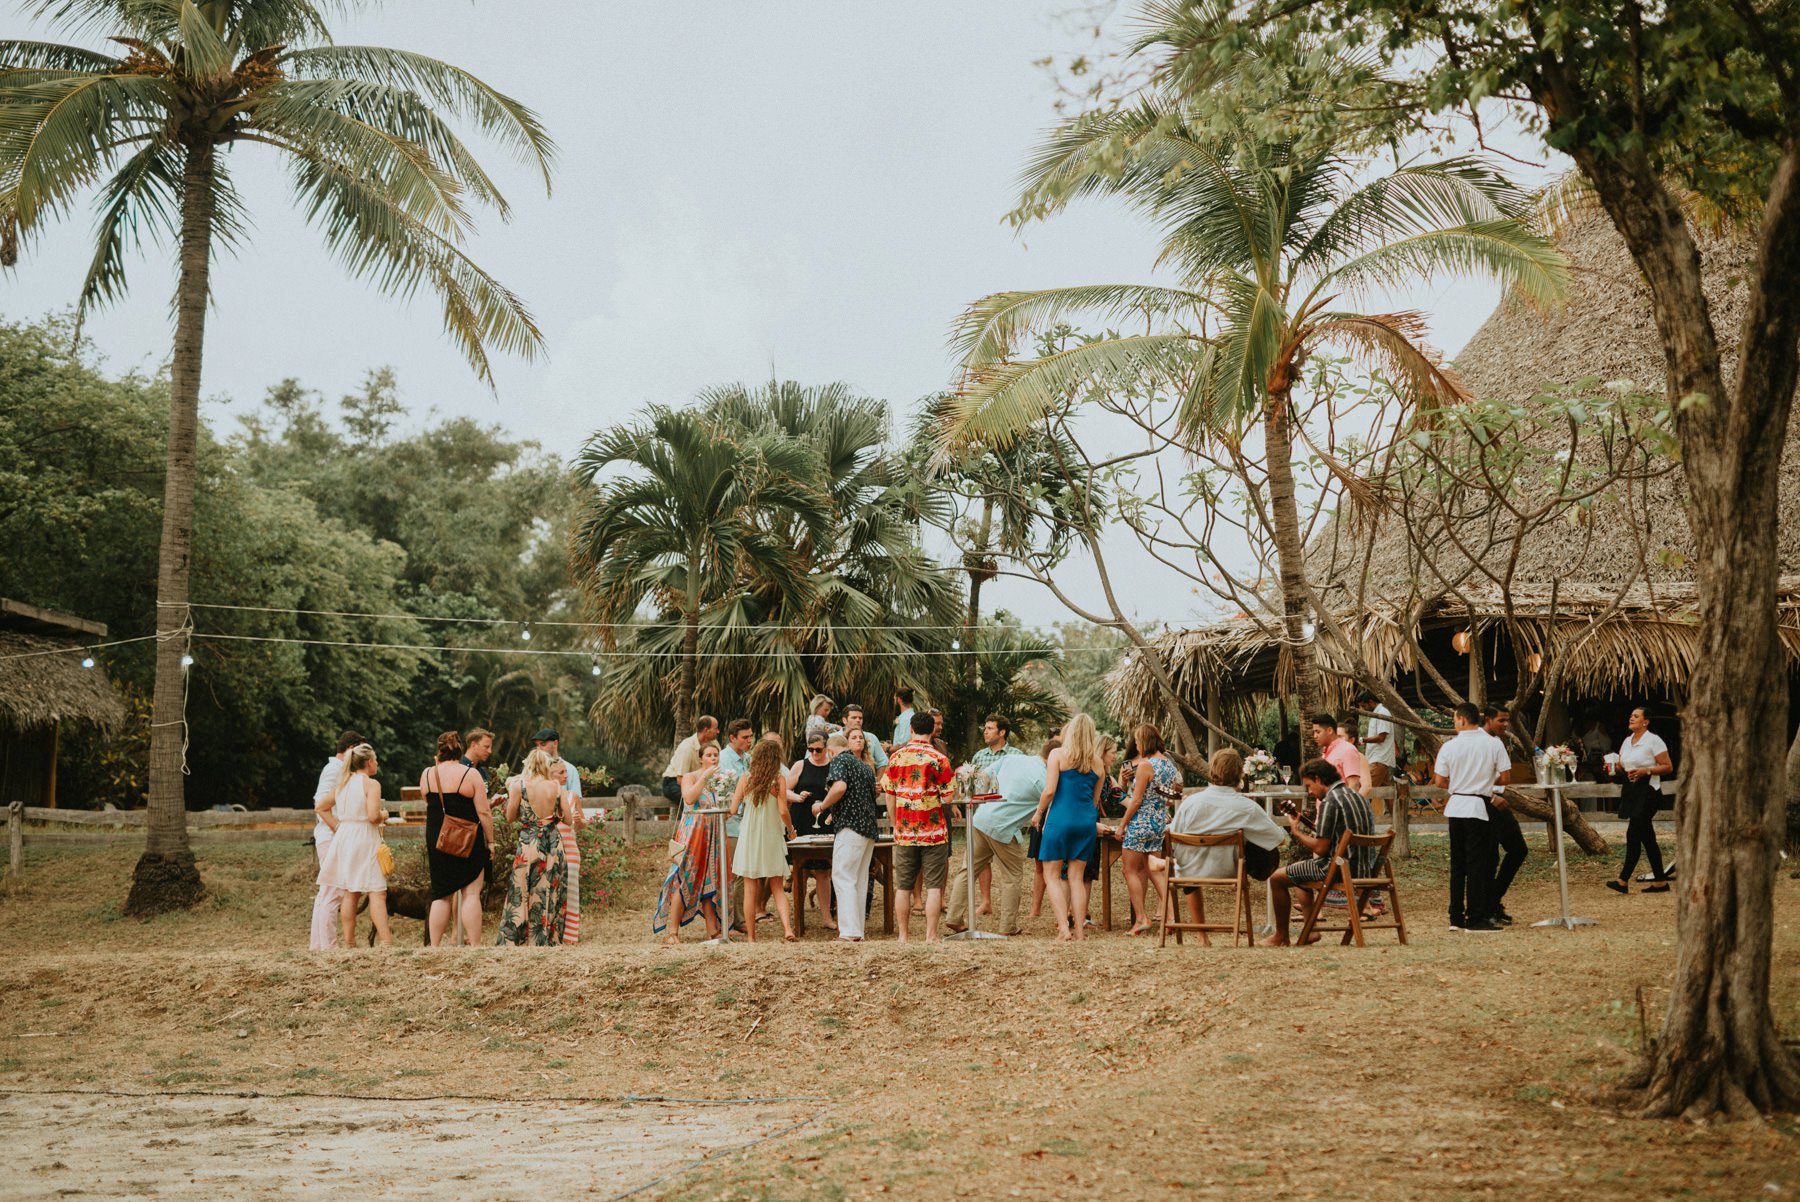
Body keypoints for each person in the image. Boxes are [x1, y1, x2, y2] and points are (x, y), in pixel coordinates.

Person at [1259, 758, 1376, 946]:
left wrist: (1296, 831)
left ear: (1319, 779)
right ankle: (1311, 930)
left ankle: (1281, 936)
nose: (1310, 792)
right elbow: (1334, 836)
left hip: (1339, 867)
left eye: (1309, 786)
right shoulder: (1355, 796)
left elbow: (1321, 849)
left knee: (1276, 878)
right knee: (1298, 873)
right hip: (1364, 867)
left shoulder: (1331, 800)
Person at [1161, 749, 1287, 920]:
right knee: (1261, 847)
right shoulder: (1247, 807)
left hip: (1189, 870)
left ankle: (1202, 937)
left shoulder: (1189, 803)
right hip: (1229, 871)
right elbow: (1279, 840)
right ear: (1240, 775)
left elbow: (1173, 838)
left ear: (1212, 771)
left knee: (1190, 854)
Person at [945, 730, 1044, 936]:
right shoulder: (1044, 779)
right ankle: (1007, 927)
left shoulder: (1013, 758)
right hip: (1003, 828)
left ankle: (954, 917)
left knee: (968, 869)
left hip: (981, 819)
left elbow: (982, 776)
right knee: (1012, 875)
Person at [1432, 702, 1509, 932]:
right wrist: (1485, 781)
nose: (1455, 724)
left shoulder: (1449, 746)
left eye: (1455, 719)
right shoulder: (1493, 744)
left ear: (1462, 719)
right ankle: (1474, 916)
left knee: (1458, 864)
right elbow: (1505, 778)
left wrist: (1458, 782)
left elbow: (1439, 781)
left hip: (1456, 805)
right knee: (1477, 863)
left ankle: (1455, 915)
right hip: (1478, 805)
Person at [1031, 713, 1107, 942]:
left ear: (1070, 732)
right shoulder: (1098, 763)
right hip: (1085, 821)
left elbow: (1050, 791)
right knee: (1076, 877)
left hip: (1060, 819)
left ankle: (1064, 928)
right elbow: (1094, 800)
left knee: (1051, 874)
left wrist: (1038, 813)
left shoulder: (1057, 754)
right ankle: (1081, 932)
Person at [882, 709, 956, 942]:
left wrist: (895, 824)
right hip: (933, 832)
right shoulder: (939, 759)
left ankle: (903, 936)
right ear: (932, 730)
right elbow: (949, 797)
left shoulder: (896, 758)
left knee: (903, 886)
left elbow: (889, 794)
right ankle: (930, 935)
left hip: (905, 831)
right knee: (934, 886)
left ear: (911, 729)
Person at [495, 749, 575, 946]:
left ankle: (517, 937)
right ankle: (544, 937)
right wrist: (552, 814)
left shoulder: (518, 786)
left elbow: (510, 817)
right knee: (548, 888)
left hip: (529, 842)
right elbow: (568, 819)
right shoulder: (555, 786)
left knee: (522, 888)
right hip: (553, 843)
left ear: (527, 764)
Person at [316, 743, 392, 947]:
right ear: (368, 762)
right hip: (365, 837)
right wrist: (385, 814)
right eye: (375, 760)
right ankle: (386, 941)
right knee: (376, 891)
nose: (377, 764)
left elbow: (321, 807)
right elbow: (373, 816)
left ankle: (350, 942)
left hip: (346, 837)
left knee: (351, 890)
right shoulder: (371, 784)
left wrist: (338, 827)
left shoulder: (342, 784)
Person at [422, 730, 492, 947]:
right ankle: (475, 946)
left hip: (438, 837)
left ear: (439, 751)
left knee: (441, 894)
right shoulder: (470, 775)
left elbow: (429, 802)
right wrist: (490, 842)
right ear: (460, 749)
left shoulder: (427, 774)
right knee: (471, 893)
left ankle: (434, 946)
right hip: (466, 838)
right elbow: (484, 812)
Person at [654, 745, 726, 943]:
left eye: (716, 755)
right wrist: (704, 777)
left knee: (709, 881)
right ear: (701, 758)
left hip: (711, 836)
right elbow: (689, 798)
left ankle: (713, 931)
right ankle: (673, 932)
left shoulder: (719, 781)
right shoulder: (690, 777)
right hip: (692, 835)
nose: (713, 758)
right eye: (709, 755)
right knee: (684, 879)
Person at [1114, 723, 1180, 936]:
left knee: (1130, 869)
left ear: (1145, 742)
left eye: (1138, 741)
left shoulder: (1145, 765)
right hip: (1159, 821)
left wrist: (1122, 825)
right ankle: (1170, 917)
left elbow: (1136, 801)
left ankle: (1141, 918)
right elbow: (1170, 797)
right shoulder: (1169, 765)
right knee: (1155, 869)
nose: (1136, 745)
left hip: (1141, 823)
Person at [814, 732, 880, 941]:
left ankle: (849, 931)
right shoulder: (864, 766)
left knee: (842, 876)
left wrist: (822, 806)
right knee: (858, 879)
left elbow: (840, 787)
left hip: (851, 826)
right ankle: (856, 930)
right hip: (868, 827)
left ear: (830, 751)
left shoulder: (840, 760)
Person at [732, 738, 798, 942]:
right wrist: (790, 829)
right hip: (771, 835)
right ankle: (788, 929)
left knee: (750, 888)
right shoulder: (778, 780)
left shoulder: (746, 779)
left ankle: (751, 937)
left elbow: (734, 809)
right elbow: (782, 810)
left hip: (750, 836)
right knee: (777, 886)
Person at [1607, 706, 1674, 894]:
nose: (1631, 718)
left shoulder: (1654, 741)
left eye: (1636, 716)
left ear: (1646, 721)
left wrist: (1647, 771)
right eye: (1630, 716)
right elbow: (1623, 765)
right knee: (1647, 838)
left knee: (1633, 833)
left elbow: (1668, 766)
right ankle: (1660, 881)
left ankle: (1623, 880)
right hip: (1632, 792)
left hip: (1649, 792)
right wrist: (1614, 768)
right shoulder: (1627, 741)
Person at [309, 729, 363, 950]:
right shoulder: (334, 770)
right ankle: (329, 946)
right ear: (350, 749)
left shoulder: (337, 769)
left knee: (327, 892)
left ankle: (319, 944)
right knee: (333, 892)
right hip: (330, 837)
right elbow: (320, 803)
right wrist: (340, 830)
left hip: (330, 836)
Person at [965, 714, 1022, 915]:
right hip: (982, 814)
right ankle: (985, 901)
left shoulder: (1016, 755)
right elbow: (971, 786)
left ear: (1002, 732)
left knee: (1009, 865)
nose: (985, 731)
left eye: (990, 728)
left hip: (1006, 815)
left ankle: (1008, 911)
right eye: (985, 728)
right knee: (980, 860)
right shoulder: (979, 756)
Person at [1481, 704, 1528, 924]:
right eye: (1501, 720)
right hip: (1484, 801)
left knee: (1518, 849)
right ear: (1488, 719)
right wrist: (1489, 792)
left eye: (1507, 720)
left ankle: (1493, 899)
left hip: (1499, 801)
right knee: (1489, 858)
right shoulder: (1481, 741)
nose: (1505, 725)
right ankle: (1490, 906)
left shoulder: (1497, 742)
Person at [787, 731, 838, 931]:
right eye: (811, 749)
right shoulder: (800, 765)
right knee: (799, 870)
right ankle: (798, 918)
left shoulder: (833, 765)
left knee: (823, 871)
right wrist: (798, 796)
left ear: (826, 748)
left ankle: (827, 917)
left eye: (819, 749)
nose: (815, 753)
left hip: (825, 821)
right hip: (803, 821)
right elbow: (784, 790)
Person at [718, 718, 756, 927]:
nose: (749, 740)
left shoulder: (749, 759)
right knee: (733, 872)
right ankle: (730, 920)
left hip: (748, 820)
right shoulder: (722, 760)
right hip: (730, 821)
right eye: (745, 737)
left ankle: (740, 918)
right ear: (732, 738)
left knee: (744, 870)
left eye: (751, 736)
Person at [553, 759, 585, 945]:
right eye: (561, 773)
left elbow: (582, 823)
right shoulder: (548, 796)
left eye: (566, 772)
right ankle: (553, 932)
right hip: (553, 847)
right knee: (554, 891)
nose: (566, 776)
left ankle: (570, 935)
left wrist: (577, 821)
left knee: (571, 892)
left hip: (571, 849)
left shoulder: (573, 796)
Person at [661, 716, 719, 815]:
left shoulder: (714, 743)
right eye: (715, 728)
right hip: (673, 782)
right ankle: (691, 826)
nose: (718, 731)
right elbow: (681, 779)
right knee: (697, 800)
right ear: (706, 730)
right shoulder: (687, 747)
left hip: (699, 781)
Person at [1310, 712, 1367, 795]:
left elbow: (1354, 784)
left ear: (1329, 730)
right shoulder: (1326, 752)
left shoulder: (1347, 750)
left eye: (1318, 732)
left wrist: (1344, 805)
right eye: (1314, 732)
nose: (1315, 736)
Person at [1355, 692, 1396, 795]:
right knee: (1387, 793)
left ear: (1371, 702)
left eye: (1364, 706)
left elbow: (1381, 737)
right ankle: (1393, 811)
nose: (1363, 709)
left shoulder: (1382, 713)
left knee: (1365, 789)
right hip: (1377, 758)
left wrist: (1362, 740)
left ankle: (1359, 810)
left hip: (1379, 759)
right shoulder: (1375, 714)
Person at [842, 705, 888, 769]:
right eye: (854, 718)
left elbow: (883, 762)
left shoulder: (872, 738)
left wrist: (878, 779)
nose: (858, 720)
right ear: (844, 720)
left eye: (860, 718)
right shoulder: (833, 737)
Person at [889, 686, 916, 752]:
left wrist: (888, 749)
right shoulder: (907, 716)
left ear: (899, 700)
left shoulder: (906, 718)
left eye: (894, 699)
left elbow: (903, 745)